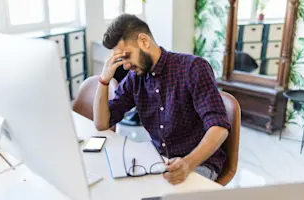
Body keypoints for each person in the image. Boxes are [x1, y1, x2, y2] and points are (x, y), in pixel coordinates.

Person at [93, 14, 231, 185]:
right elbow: (102, 124)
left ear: (144, 41)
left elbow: (219, 127)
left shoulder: (193, 68)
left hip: (199, 162)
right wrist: (104, 81)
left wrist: (188, 163)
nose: (126, 66)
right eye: (121, 59)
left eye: (127, 56)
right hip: (159, 160)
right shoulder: (134, 78)